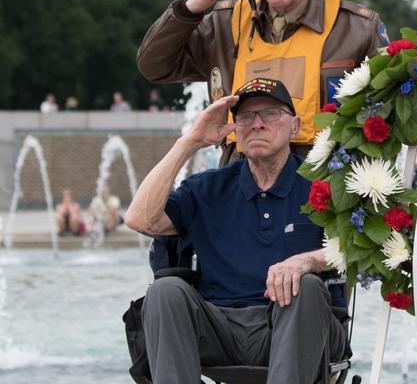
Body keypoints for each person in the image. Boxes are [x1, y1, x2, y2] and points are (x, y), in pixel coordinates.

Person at [124, 78, 343, 383]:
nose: (257, 124)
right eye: (245, 117)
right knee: (165, 291)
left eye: (270, 113)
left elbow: (361, 247)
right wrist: (189, 142)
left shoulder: (323, 184)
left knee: (305, 286)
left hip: (293, 323)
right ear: (235, 130)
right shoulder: (207, 188)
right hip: (219, 327)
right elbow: (139, 219)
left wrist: (308, 260)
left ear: (294, 126)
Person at [137, 0, 388, 165]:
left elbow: (388, 117)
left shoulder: (356, 27)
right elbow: (155, 66)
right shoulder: (226, 24)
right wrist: (190, 9)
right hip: (241, 181)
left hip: (320, 183)